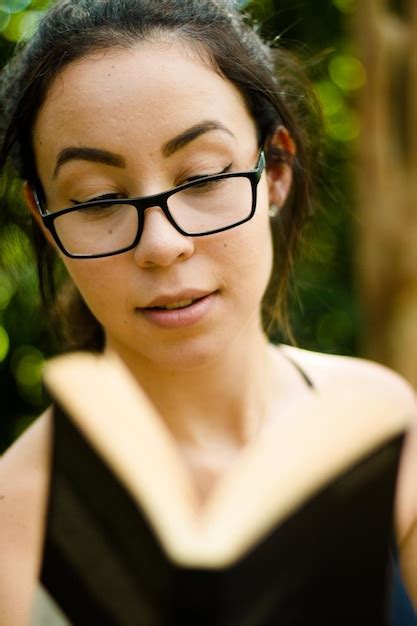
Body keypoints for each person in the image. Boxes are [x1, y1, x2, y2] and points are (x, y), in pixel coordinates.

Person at [0, 1, 415, 624]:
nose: (162, 246)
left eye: (201, 178)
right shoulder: (14, 521)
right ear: (46, 218)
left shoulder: (381, 423)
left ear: (273, 168)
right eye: (99, 199)